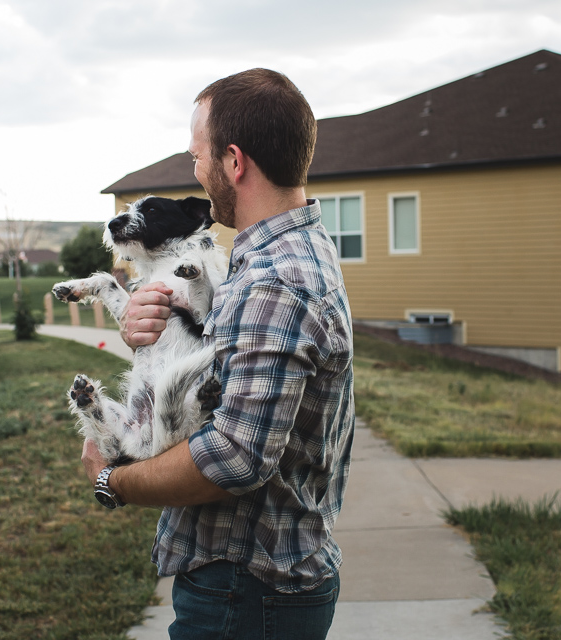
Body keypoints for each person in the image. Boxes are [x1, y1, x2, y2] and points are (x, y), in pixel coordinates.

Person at [80, 68, 355, 639]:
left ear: (234, 162)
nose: (196, 172)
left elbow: (235, 456)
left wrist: (113, 480)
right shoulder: (275, 256)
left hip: (246, 592)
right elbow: (221, 359)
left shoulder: (277, 280)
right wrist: (144, 327)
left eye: (198, 157)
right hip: (252, 586)